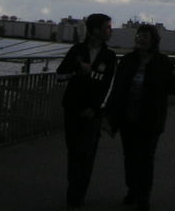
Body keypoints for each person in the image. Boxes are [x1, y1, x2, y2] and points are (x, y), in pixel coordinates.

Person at [106, 24, 175, 210]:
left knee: (146, 158)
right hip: (128, 117)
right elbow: (117, 88)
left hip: (150, 119)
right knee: (130, 157)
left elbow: (174, 89)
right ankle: (132, 189)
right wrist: (110, 114)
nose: (141, 39)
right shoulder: (128, 60)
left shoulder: (162, 62)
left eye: (145, 36)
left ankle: (143, 196)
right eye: (139, 36)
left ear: (153, 40)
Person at [57, 13, 117, 209]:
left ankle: (76, 195)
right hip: (73, 109)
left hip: (93, 114)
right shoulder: (77, 50)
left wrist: (95, 108)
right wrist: (78, 70)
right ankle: (75, 188)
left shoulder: (109, 56)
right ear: (95, 30)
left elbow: (108, 85)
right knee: (74, 151)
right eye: (107, 27)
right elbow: (60, 75)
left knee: (86, 154)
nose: (110, 31)